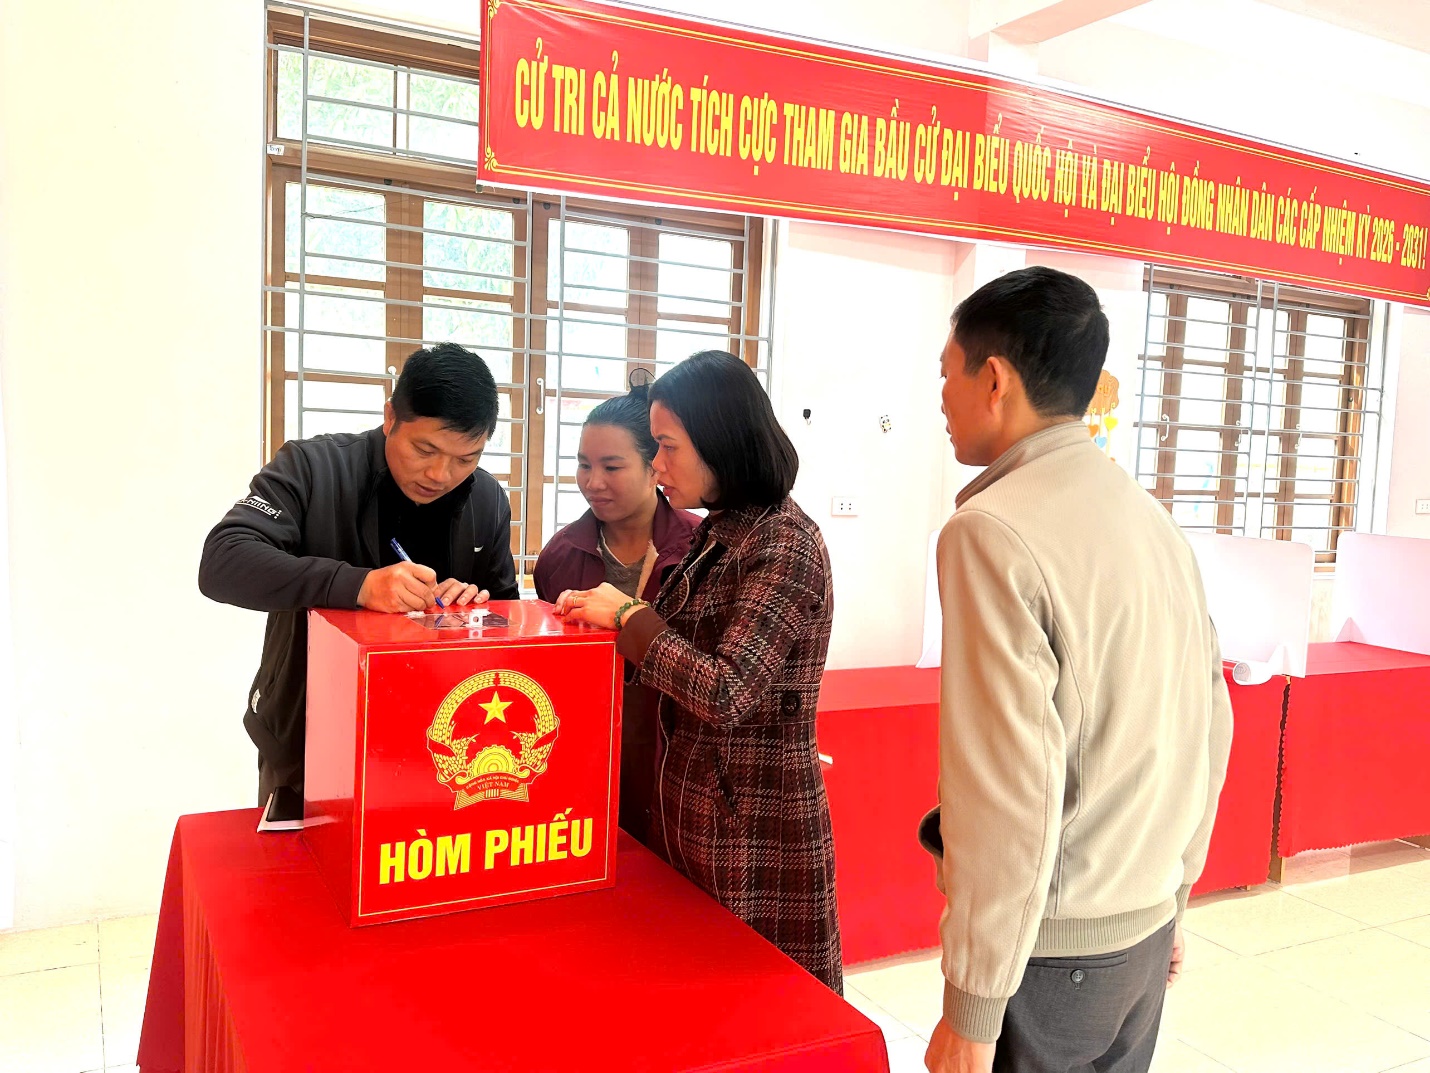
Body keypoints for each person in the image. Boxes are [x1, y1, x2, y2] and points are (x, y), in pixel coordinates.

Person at [921, 266, 1233, 1073]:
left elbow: (1007, 790)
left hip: (1051, 956)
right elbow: (1209, 721)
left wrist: (973, 1004)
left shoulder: (991, 531)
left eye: (946, 374)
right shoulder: (1150, 517)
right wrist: (1174, 893)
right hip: (1141, 934)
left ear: (995, 380)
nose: (941, 397)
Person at [554, 350, 843, 993]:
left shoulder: (783, 541)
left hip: (754, 822)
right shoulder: (723, 530)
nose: (657, 465)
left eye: (666, 447)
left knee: (759, 998)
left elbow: (728, 690)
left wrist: (630, 616)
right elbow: (676, 651)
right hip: (693, 804)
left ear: (720, 442)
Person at [199, 342, 521, 804]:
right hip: (308, 736)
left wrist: (475, 607)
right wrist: (360, 585)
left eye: (466, 458)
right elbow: (223, 561)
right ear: (390, 417)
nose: (440, 474)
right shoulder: (313, 468)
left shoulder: (487, 500)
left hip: (442, 746)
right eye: (424, 449)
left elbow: (507, 617)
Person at [533, 377, 700, 841]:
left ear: (654, 467)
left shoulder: (700, 549)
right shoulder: (559, 556)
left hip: (675, 764)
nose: (593, 482)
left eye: (612, 466)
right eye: (584, 465)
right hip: (578, 762)